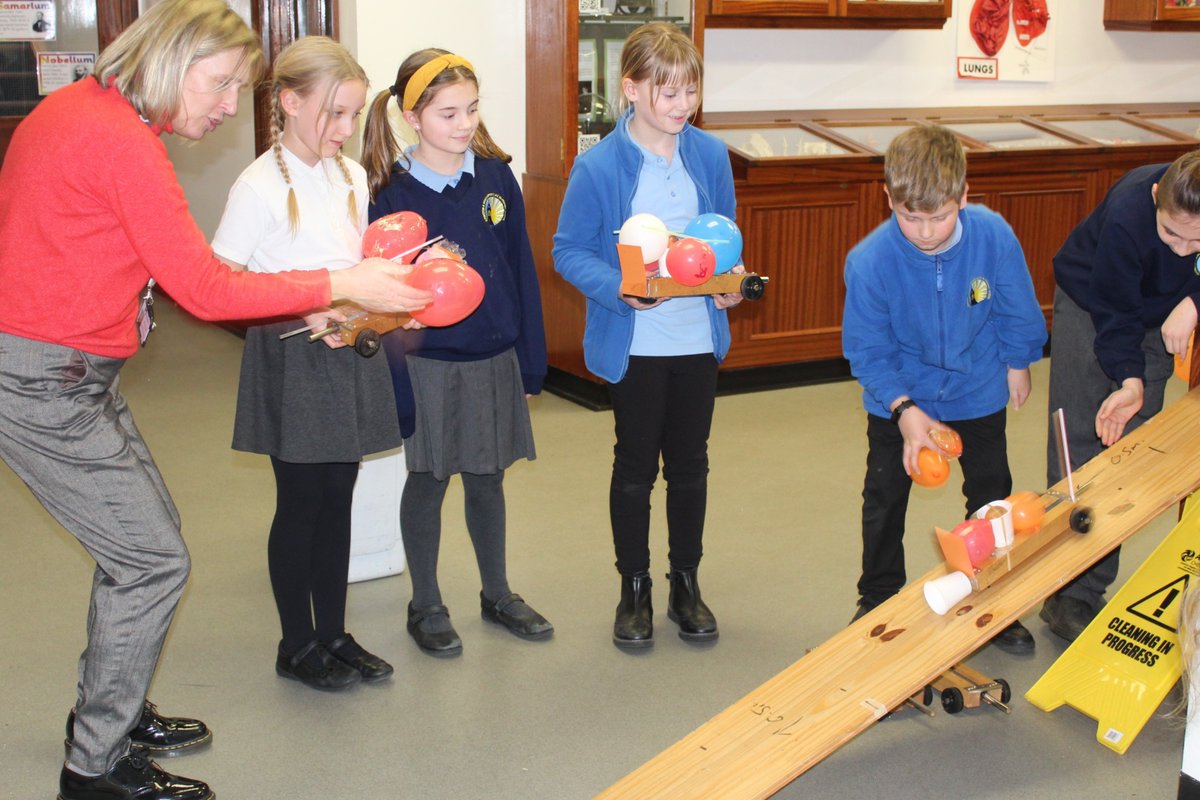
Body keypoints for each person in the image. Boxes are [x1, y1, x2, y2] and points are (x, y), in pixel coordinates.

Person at [0, 2, 430, 799]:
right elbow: (203, 285)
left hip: (71, 369)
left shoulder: (82, 112)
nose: (232, 104)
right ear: (172, 56)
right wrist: (342, 283)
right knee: (152, 560)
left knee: (142, 545)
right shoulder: (119, 139)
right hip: (44, 378)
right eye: (224, 82)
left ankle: (114, 711)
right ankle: (92, 768)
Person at [211, 36, 401, 692]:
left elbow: (355, 263)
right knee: (301, 502)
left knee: (339, 496)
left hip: (348, 349)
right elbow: (221, 286)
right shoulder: (258, 186)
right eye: (335, 114)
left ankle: (335, 633)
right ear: (290, 103)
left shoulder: (349, 175)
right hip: (291, 356)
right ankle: (296, 643)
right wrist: (300, 311)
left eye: (354, 115)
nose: (347, 130)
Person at [552, 22, 743, 651]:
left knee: (691, 466)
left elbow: (722, 243)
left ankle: (685, 584)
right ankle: (633, 588)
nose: (682, 105)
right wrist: (616, 287)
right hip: (635, 346)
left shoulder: (710, 156)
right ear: (630, 90)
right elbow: (568, 252)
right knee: (635, 469)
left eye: (689, 90)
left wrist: (730, 284)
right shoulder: (599, 166)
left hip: (695, 341)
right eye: (667, 93)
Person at [361, 48, 552, 657]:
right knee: (429, 478)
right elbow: (383, 297)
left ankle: (496, 594)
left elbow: (521, 267)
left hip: (493, 356)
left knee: (488, 478)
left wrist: (531, 358)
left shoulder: (496, 177)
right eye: (448, 114)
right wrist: (393, 381)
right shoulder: (390, 193)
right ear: (413, 118)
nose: (464, 123)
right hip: (428, 365)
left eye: (471, 109)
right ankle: (426, 603)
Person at [841, 124, 1047, 654]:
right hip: (901, 394)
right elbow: (868, 351)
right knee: (884, 497)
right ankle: (878, 597)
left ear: (964, 198)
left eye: (939, 216)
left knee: (989, 495)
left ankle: (993, 593)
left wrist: (1019, 360)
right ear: (888, 198)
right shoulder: (870, 262)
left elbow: (1015, 305)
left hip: (977, 390)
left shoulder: (993, 235)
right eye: (911, 217)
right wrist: (904, 410)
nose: (926, 231)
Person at [1039, 149, 1200, 643]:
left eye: (1196, 242)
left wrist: (1193, 302)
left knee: (1128, 456)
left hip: (1163, 315)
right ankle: (1063, 590)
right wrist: (1129, 379)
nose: (1180, 250)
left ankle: (1089, 588)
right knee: (1080, 447)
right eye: (1171, 233)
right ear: (1156, 198)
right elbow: (1115, 312)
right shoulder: (1130, 211)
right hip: (1094, 307)